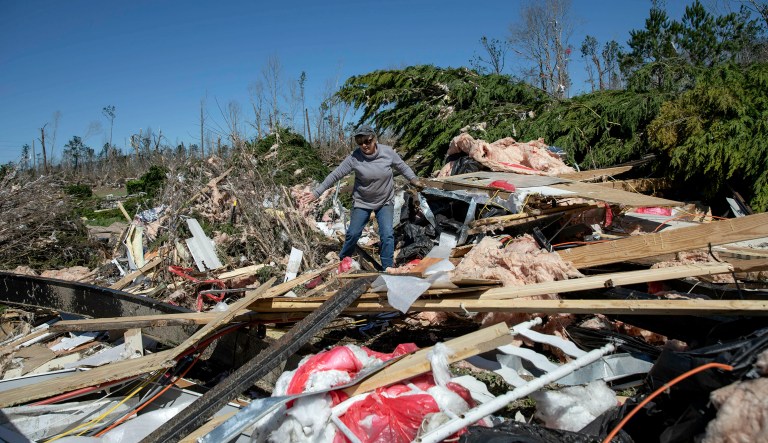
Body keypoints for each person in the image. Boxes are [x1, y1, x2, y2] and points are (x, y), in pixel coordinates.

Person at [299, 124, 421, 270]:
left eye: (367, 141)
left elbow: (403, 167)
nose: (364, 145)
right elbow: (335, 174)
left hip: (385, 201)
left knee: (387, 234)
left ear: (374, 139)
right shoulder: (354, 157)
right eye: (360, 142)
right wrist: (316, 192)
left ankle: (387, 268)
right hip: (362, 201)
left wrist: (414, 180)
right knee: (353, 233)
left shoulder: (388, 152)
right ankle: (342, 261)